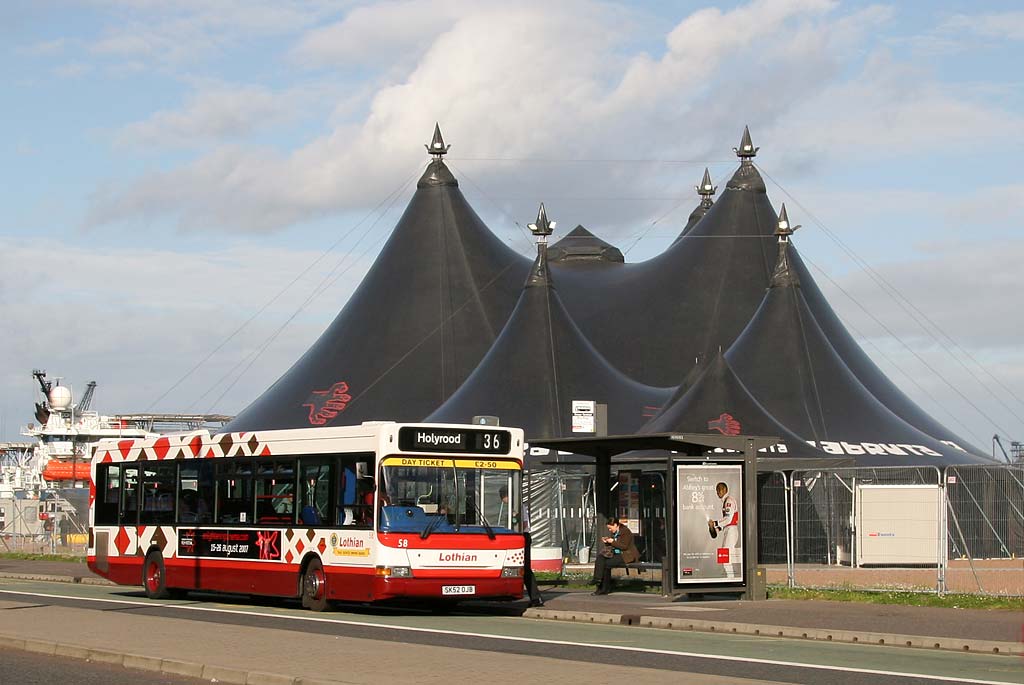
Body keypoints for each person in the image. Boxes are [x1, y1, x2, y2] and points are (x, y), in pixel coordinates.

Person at [590, 516, 639, 595]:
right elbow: (614, 545)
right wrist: (607, 542)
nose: (610, 530)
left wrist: (612, 541)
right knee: (600, 558)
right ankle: (597, 579)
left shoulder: (625, 531)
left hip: (625, 555)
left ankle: (602, 587)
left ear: (616, 525)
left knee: (606, 564)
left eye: (610, 528)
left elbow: (624, 546)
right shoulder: (615, 532)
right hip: (616, 553)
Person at [708, 481, 740, 579]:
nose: (718, 492)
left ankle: (731, 580)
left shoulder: (729, 501)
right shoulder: (725, 502)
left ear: (725, 490)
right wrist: (714, 529)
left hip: (731, 531)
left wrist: (715, 523)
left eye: (720, 489)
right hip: (728, 530)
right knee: (724, 556)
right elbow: (725, 523)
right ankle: (731, 578)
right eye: (717, 490)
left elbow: (729, 519)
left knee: (725, 556)